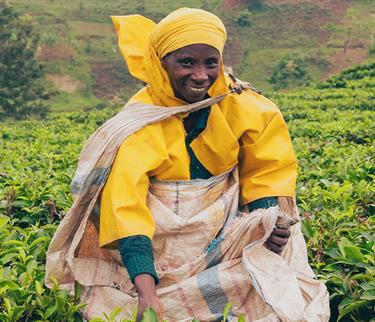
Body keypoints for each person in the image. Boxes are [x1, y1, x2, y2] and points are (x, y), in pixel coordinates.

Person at [45, 7, 330, 322]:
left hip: (226, 236)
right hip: (157, 250)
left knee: (281, 298)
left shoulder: (240, 104)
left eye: (211, 62)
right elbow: (126, 205)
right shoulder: (141, 121)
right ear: (161, 63)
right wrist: (146, 287)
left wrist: (269, 219)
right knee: (116, 309)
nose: (200, 75)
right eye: (186, 63)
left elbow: (266, 167)